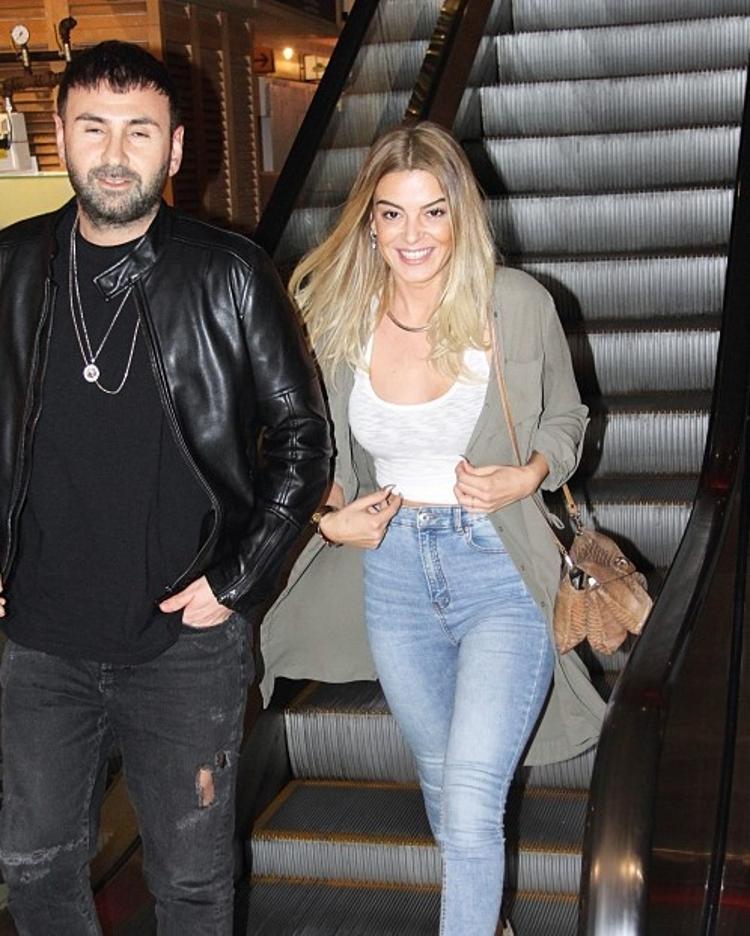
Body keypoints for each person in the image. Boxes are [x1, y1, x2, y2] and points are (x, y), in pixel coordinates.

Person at [0, 40, 330, 935]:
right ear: (59, 136)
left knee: (190, 885)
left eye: (139, 131)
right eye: (93, 128)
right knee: (33, 870)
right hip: (39, 640)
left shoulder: (229, 273)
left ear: (175, 147)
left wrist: (237, 581)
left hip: (185, 641)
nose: (115, 153)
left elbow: (304, 441)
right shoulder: (12, 267)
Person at [260, 122, 605, 935]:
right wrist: (327, 518)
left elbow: (567, 417)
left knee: (475, 792)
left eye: (433, 212)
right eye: (392, 213)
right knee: (445, 784)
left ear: (462, 215)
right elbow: (316, 454)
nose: (412, 235)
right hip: (395, 575)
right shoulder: (337, 319)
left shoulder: (515, 305)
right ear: (369, 222)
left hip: (500, 569)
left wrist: (528, 473)